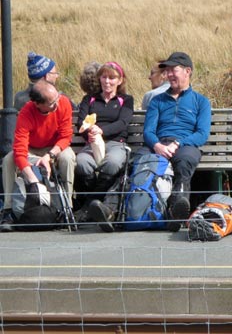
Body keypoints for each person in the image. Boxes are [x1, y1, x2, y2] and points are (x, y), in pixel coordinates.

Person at [141, 51, 211, 232]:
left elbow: (202, 133)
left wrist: (178, 143)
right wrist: (157, 145)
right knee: (141, 162)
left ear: (187, 71)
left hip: (186, 145)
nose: (169, 74)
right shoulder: (157, 101)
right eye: (168, 71)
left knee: (184, 160)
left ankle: (176, 209)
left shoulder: (201, 101)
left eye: (174, 70)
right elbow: (148, 131)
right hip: (159, 144)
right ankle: (121, 209)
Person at [0, 80, 76, 232]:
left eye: (57, 98)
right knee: (9, 159)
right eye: (52, 102)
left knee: (68, 157)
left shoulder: (63, 103)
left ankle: (67, 207)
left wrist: (49, 156)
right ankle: (8, 210)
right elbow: (20, 149)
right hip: (32, 150)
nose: (57, 104)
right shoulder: (26, 113)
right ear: (38, 104)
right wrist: (32, 179)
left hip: (55, 148)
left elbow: (66, 136)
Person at [74, 62, 134, 226]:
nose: (107, 81)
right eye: (104, 77)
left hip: (116, 142)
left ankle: (90, 205)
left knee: (112, 162)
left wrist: (102, 130)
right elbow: (81, 122)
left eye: (112, 78)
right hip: (92, 143)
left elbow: (123, 122)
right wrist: (91, 133)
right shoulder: (90, 99)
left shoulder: (126, 100)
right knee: (82, 163)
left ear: (120, 80)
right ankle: (99, 206)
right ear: (99, 79)